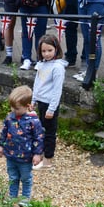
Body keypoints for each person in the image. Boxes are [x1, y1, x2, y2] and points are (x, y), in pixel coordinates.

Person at [0, 85, 44, 207]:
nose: (14, 110)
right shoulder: (10, 117)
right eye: (12, 107)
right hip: (10, 155)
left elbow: (38, 138)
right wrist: (1, 145)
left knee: (26, 178)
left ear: (27, 106)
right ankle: (12, 196)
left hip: (26, 157)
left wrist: (37, 154)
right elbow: (4, 132)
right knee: (12, 177)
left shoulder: (33, 121)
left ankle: (25, 198)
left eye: (17, 108)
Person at [32, 35, 67, 170]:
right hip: (41, 101)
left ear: (56, 49)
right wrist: (33, 100)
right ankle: (40, 154)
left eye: (49, 50)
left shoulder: (58, 67)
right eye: (43, 51)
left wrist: (52, 109)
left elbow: (57, 90)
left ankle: (48, 160)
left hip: (49, 104)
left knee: (49, 133)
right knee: (40, 130)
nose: (46, 54)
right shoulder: (41, 64)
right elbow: (37, 83)